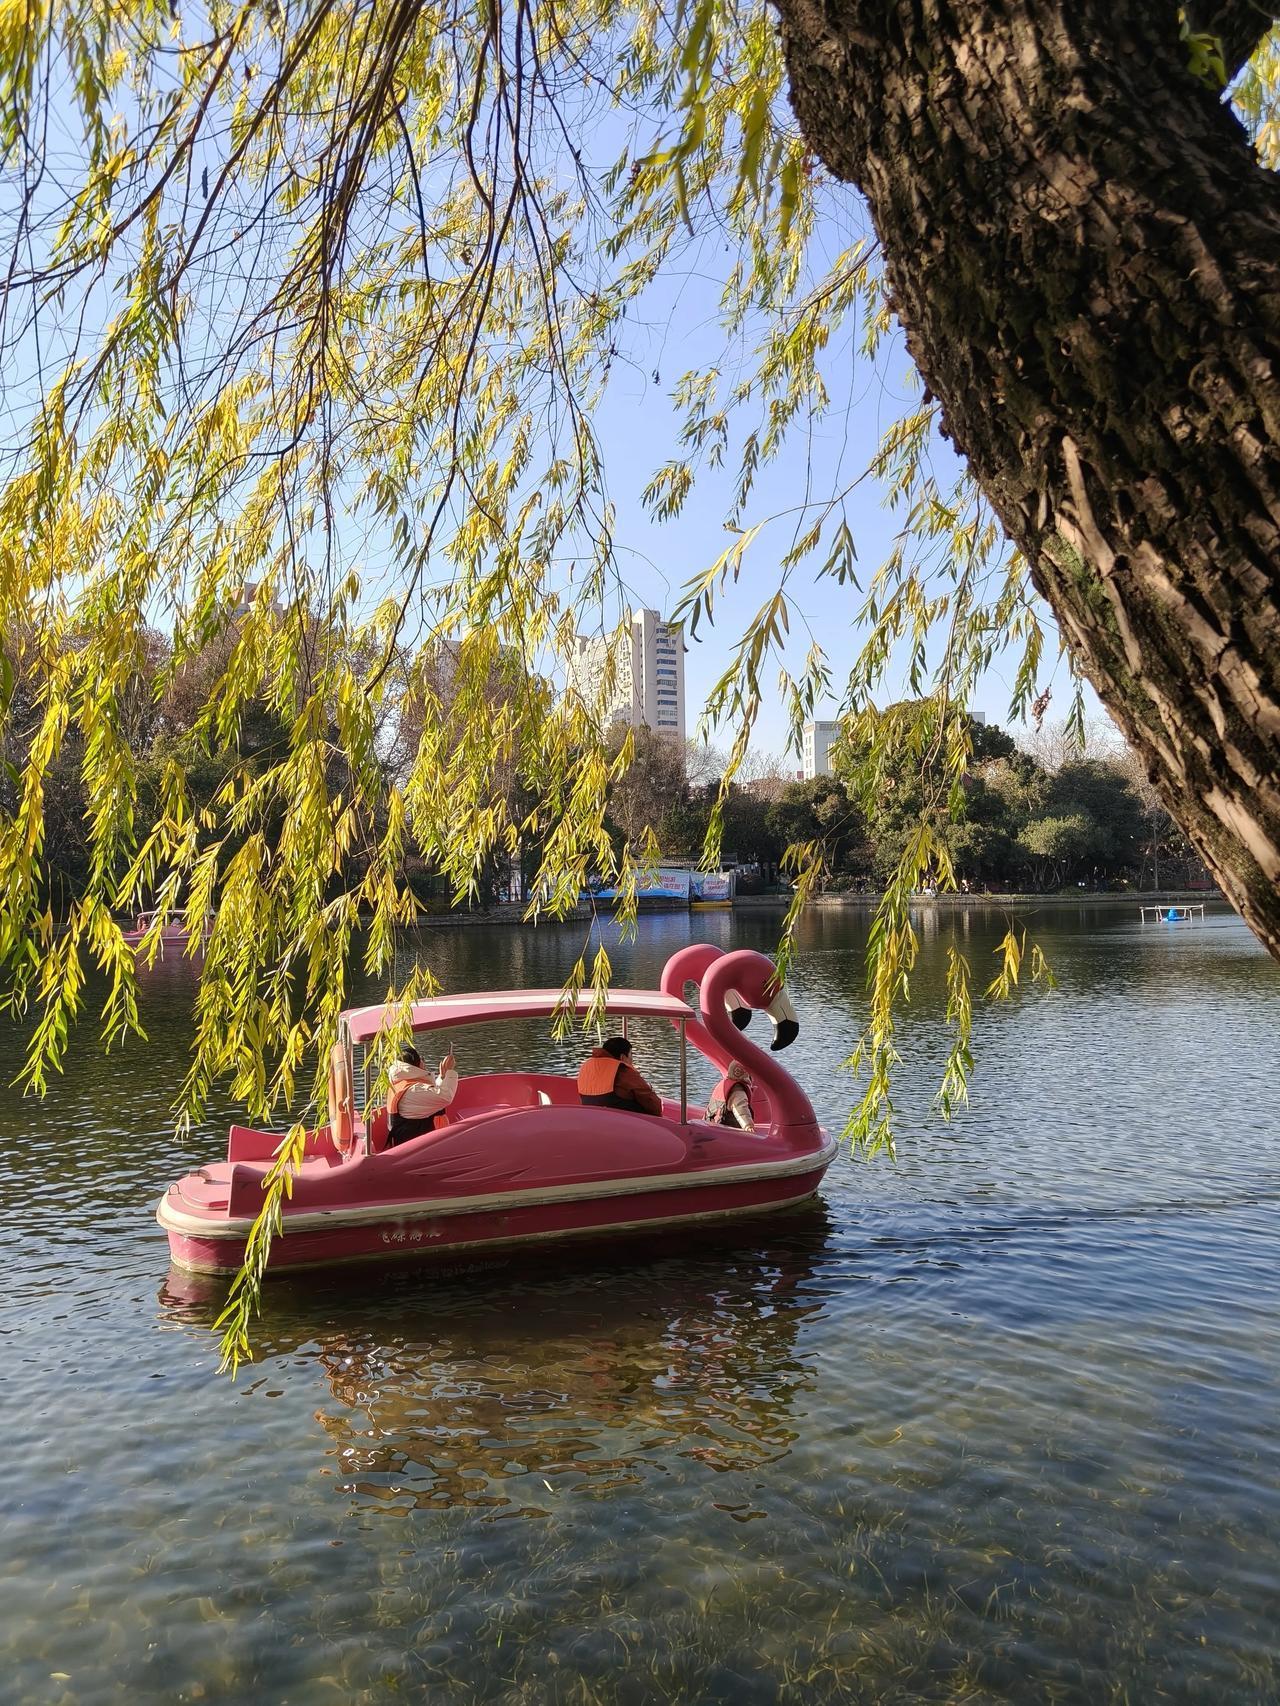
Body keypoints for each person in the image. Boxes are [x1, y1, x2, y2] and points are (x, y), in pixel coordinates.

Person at [385, 1045, 458, 1147]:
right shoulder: (412, 1090)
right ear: (416, 1064)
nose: (424, 1062)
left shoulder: (402, 1083)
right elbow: (445, 1097)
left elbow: (430, 1093)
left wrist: (442, 1077)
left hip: (409, 1142)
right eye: (422, 1059)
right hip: (418, 1147)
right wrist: (450, 1071)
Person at [576, 1036, 662, 1115]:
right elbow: (652, 1103)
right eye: (631, 1055)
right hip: (622, 1123)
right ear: (622, 1057)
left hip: (592, 1118)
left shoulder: (586, 1067)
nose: (632, 1059)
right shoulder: (623, 1071)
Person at [704, 1060, 755, 1130]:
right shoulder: (738, 1092)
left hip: (712, 1123)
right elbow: (741, 1111)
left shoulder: (722, 1084)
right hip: (726, 1129)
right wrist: (748, 1126)